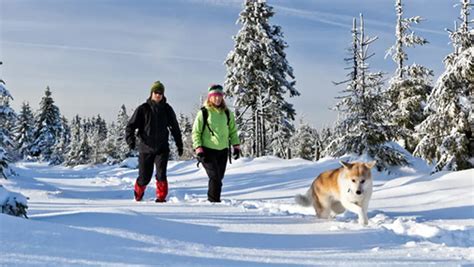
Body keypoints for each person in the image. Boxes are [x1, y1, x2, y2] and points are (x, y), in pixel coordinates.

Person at [126, 81, 183, 202]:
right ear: (151, 93)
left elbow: (175, 127)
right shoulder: (143, 109)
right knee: (144, 177)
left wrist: (179, 144)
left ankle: (161, 198)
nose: (158, 95)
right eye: (156, 92)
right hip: (146, 148)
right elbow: (130, 126)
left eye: (160, 93)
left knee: (161, 175)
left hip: (162, 148)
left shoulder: (167, 109)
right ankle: (138, 193)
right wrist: (131, 140)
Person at [192, 84, 240, 202]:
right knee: (215, 177)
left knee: (219, 177)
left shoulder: (227, 113)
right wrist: (198, 148)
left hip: (223, 151)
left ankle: (214, 200)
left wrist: (236, 146)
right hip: (207, 150)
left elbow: (233, 131)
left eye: (220, 96)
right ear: (210, 97)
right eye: (215, 96)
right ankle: (214, 202)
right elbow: (196, 132)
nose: (217, 98)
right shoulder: (203, 113)